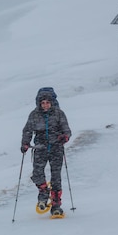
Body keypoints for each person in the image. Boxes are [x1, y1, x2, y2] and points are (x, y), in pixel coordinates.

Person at [21, 88, 71, 216]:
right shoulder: (34, 115)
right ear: (39, 103)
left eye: (47, 102)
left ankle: (56, 205)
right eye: (42, 103)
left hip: (56, 148)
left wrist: (64, 137)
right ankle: (43, 192)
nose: (45, 105)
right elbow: (27, 130)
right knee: (37, 173)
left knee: (56, 177)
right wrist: (25, 143)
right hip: (40, 148)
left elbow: (67, 129)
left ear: (52, 102)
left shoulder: (59, 114)